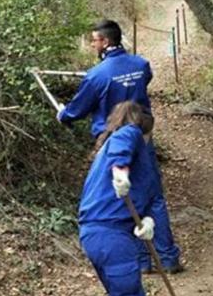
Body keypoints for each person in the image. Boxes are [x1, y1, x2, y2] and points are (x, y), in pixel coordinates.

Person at [58, 18, 183, 275]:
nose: (93, 44)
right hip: (142, 137)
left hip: (112, 142)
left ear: (104, 41)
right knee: (153, 196)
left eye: (94, 40)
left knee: (125, 198)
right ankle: (167, 258)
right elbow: (141, 80)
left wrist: (64, 115)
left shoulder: (96, 76)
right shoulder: (140, 65)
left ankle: (142, 262)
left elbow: (78, 109)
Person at [79, 101, 184, 296]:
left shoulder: (141, 160)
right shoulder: (128, 135)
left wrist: (147, 220)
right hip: (107, 234)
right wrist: (121, 171)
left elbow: (147, 197)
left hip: (115, 233)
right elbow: (121, 152)